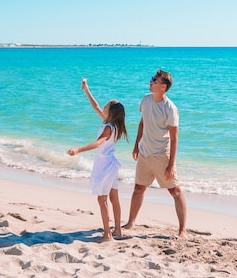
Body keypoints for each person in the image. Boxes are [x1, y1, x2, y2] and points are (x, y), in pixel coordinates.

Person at [124, 69, 187, 238]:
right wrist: (137, 144)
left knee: (175, 192)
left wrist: (171, 164)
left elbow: (174, 139)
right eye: (152, 78)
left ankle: (182, 231)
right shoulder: (145, 99)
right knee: (138, 189)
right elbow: (143, 122)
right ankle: (130, 222)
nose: (151, 81)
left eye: (154, 80)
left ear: (163, 87)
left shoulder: (170, 109)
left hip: (162, 155)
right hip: (145, 154)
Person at [67, 78, 128, 242]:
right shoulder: (111, 124)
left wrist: (78, 150)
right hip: (111, 164)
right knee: (114, 198)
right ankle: (118, 231)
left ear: (111, 112)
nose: (104, 107)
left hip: (105, 165)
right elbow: (95, 106)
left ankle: (107, 235)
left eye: (107, 106)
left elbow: (98, 142)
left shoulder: (108, 127)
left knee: (102, 199)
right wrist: (86, 90)